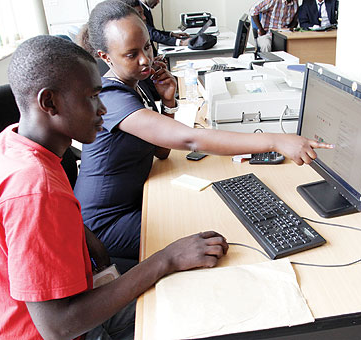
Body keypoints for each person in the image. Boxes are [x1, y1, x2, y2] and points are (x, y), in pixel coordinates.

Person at [0, 34, 229, 340]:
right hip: (58, 329)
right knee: (204, 314)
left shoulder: (12, 141)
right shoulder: (33, 189)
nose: (103, 109)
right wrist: (166, 259)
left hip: (64, 301)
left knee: (190, 291)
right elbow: (58, 327)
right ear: (49, 102)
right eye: (92, 97)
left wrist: (88, 239)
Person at [74, 0, 333, 261]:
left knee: (208, 218)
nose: (146, 60)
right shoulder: (111, 96)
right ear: (105, 57)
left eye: (147, 47)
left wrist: (168, 102)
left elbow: (162, 152)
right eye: (132, 55)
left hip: (135, 204)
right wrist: (276, 141)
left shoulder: (135, 84)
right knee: (216, 237)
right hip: (106, 226)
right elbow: (189, 139)